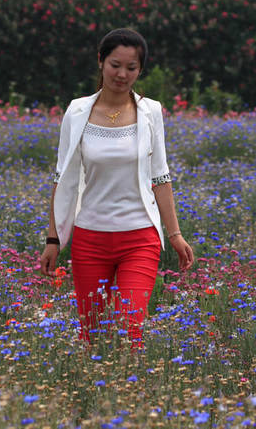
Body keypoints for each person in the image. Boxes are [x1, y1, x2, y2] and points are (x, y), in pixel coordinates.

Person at [39, 27, 193, 347]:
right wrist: (53, 239)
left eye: (131, 68)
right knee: (92, 334)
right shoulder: (77, 111)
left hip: (139, 237)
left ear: (140, 70)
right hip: (89, 237)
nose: (122, 74)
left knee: (129, 324)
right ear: (100, 61)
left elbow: (161, 177)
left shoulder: (150, 112)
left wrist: (175, 235)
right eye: (115, 65)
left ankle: (132, 393)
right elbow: (62, 179)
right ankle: (94, 394)